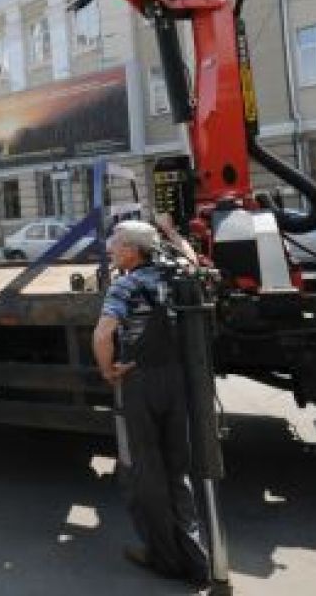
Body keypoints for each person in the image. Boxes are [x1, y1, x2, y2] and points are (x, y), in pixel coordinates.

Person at [92, 219, 209, 586]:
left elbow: (103, 333)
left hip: (138, 383)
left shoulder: (125, 284)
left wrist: (108, 370)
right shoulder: (174, 276)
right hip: (173, 381)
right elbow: (193, 260)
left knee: (144, 472)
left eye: (114, 244)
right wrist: (171, 233)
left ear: (130, 250)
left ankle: (164, 558)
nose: (110, 249)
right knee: (177, 470)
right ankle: (196, 559)